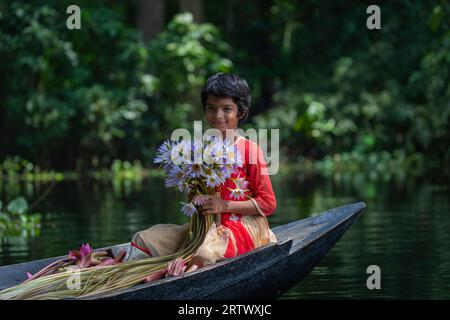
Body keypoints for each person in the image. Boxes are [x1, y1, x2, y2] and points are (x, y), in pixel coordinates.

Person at [127, 72, 277, 276]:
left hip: (243, 228)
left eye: (227, 109)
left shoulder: (250, 151)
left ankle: (174, 271)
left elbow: (268, 204)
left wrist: (224, 205)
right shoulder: (201, 151)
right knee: (144, 239)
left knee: (205, 254)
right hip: (206, 229)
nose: (218, 116)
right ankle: (169, 267)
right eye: (211, 108)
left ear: (240, 112)